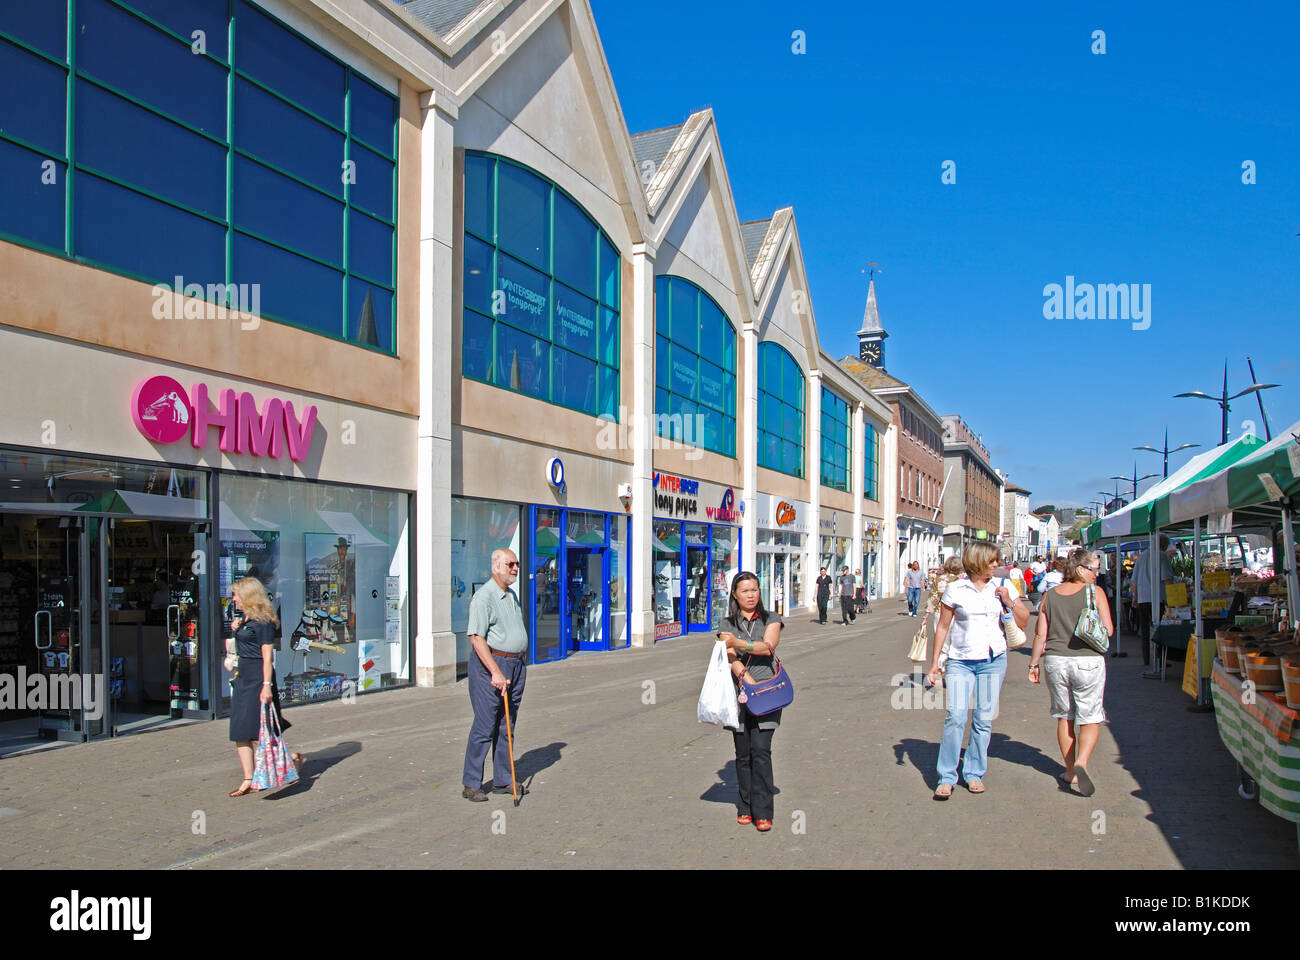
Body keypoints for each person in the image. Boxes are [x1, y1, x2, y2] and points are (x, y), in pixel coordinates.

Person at [925, 543, 1030, 798]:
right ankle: (947, 775)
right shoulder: (955, 589)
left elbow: (1024, 618)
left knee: (983, 719)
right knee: (956, 717)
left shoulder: (1001, 587)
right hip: (961, 660)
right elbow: (942, 627)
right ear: (978, 562)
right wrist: (935, 663)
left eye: (997, 561)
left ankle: (974, 772)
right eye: (992, 561)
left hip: (993, 660)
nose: (996, 565)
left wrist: (1009, 601)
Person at [1028, 548, 1114, 797]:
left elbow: (1040, 634)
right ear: (1080, 569)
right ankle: (1082, 762)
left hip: (1056, 661)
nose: (1096, 575)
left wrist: (1033, 665)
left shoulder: (1051, 595)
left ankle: (1069, 770)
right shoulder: (1094, 593)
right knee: (1090, 715)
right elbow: (1108, 629)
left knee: (1064, 716)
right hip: (1088, 661)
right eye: (1093, 570)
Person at [717, 571, 784, 832]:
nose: (751, 595)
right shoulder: (725, 623)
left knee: (761, 751)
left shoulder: (771, 619)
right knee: (743, 754)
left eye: (754, 589)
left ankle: (764, 812)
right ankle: (745, 806)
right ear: (735, 594)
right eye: (745, 590)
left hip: (767, 693)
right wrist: (745, 676)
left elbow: (768, 647)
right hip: (739, 695)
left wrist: (739, 642)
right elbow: (729, 655)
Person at [461, 548, 528, 802]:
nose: (515, 568)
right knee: (485, 724)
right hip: (491, 665)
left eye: (516, 564)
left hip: (515, 665)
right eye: (510, 564)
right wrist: (496, 671)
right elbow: (477, 639)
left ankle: (503, 779)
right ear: (496, 566)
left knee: (506, 725)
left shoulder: (511, 595)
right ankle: (471, 783)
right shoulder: (484, 597)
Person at [228, 577, 299, 797]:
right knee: (240, 730)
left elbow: (268, 657)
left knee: (261, 732)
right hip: (243, 677)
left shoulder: (264, 621)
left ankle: (290, 760)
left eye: (236, 595)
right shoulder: (245, 618)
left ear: (247, 596)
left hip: (259, 678)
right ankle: (248, 779)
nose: (233, 599)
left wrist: (267, 686)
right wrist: (236, 628)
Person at [1130, 535, 1175, 676]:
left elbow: (1134, 581)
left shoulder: (1142, 556)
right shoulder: (1162, 556)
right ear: (1163, 545)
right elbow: (1167, 579)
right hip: (1158, 598)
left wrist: (1135, 597)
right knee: (1160, 630)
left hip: (1143, 598)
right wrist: (1173, 599)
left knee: (1145, 630)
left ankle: (1146, 659)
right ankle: (1159, 659)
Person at [909, 555, 964, 666]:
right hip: (957, 615)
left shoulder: (939, 580)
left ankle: (939, 668)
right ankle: (953, 666)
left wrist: (926, 615)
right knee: (955, 643)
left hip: (940, 614)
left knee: (942, 644)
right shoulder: (961, 581)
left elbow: (933, 598)